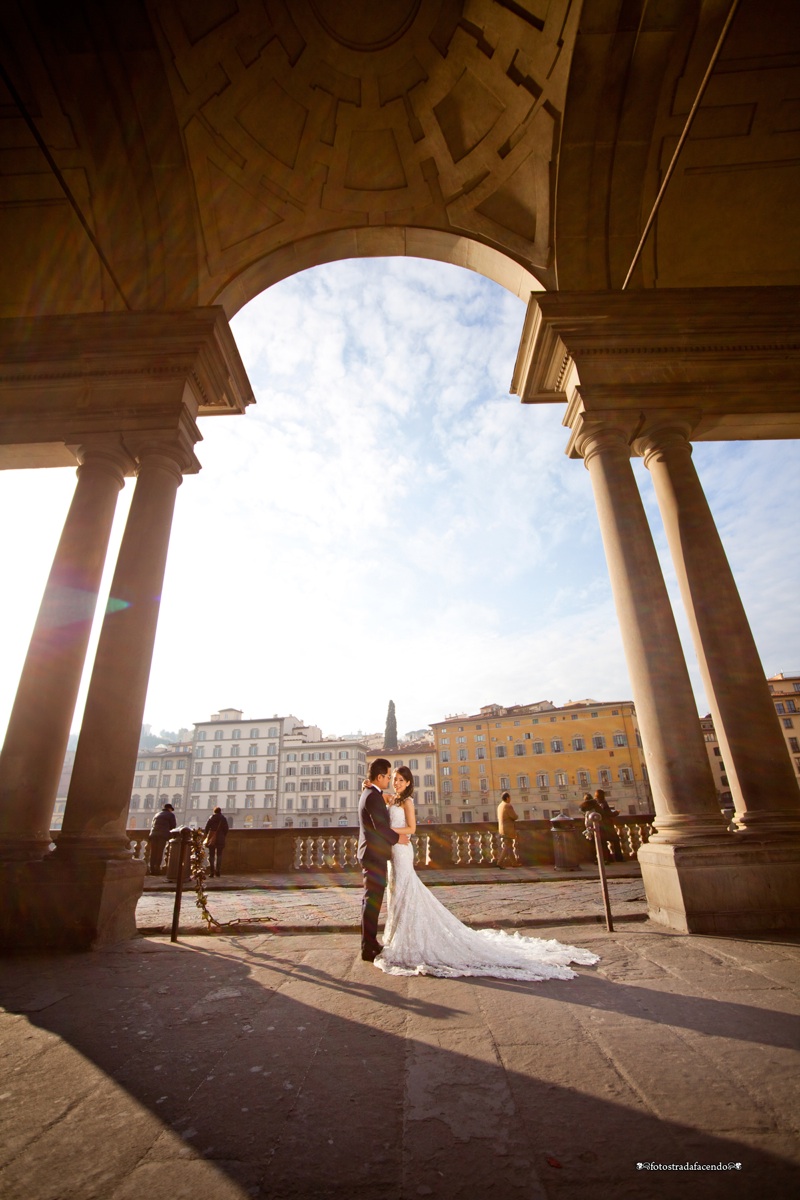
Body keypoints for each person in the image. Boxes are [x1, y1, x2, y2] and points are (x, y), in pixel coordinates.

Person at [374, 767, 599, 980]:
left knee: (405, 888)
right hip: (394, 851)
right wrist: (369, 785)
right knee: (396, 890)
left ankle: (407, 937)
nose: (396, 782)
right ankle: (399, 934)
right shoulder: (394, 799)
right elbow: (378, 794)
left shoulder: (408, 801)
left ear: (409, 782)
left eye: (400, 780)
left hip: (403, 849)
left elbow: (412, 829)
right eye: (394, 779)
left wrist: (390, 831)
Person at [358, 757, 409, 961]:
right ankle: (367, 947)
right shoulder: (372, 796)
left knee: (372, 901)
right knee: (372, 902)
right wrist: (398, 838)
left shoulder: (371, 793)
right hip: (373, 855)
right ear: (379, 777)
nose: (389, 780)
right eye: (388, 776)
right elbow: (381, 827)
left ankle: (369, 944)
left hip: (372, 853)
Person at [594, 788, 625, 863]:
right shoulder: (603, 802)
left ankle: (607, 858)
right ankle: (619, 858)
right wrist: (617, 812)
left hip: (600, 826)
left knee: (603, 843)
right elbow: (608, 813)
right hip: (607, 825)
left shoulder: (595, 803)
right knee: (616, 840)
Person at [147, 802, 175, 875]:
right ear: (169, 809)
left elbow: (152, 825)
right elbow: (173, 826)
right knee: (159, 852)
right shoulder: (170, 815)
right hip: (162, 835)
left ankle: (151, 869)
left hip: (153, 834)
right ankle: (157, 869)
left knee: (153, 853)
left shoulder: (157, 814)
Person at [204, 806, 229, 878]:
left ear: (214, 811)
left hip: (212, 838)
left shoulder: (211, 818)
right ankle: (218, 871)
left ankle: (211, 872)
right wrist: (223, 835)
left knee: (211, 855)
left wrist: (207, 836)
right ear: (220, 811)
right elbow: (226, 829)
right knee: (219, 855)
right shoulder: (223, 818)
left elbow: (206, 828)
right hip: (221, 838)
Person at [496, 791, 519, 868]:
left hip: (502, 829)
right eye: (510, 797)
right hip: (508, 829)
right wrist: (517, 815)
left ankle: (514, 863)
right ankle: (499, 862)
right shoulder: (508, 806)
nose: (510, 799)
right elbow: (514, 817)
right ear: (507, 798)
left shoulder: (500, 805)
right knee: (507, 846)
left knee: (509, 846)